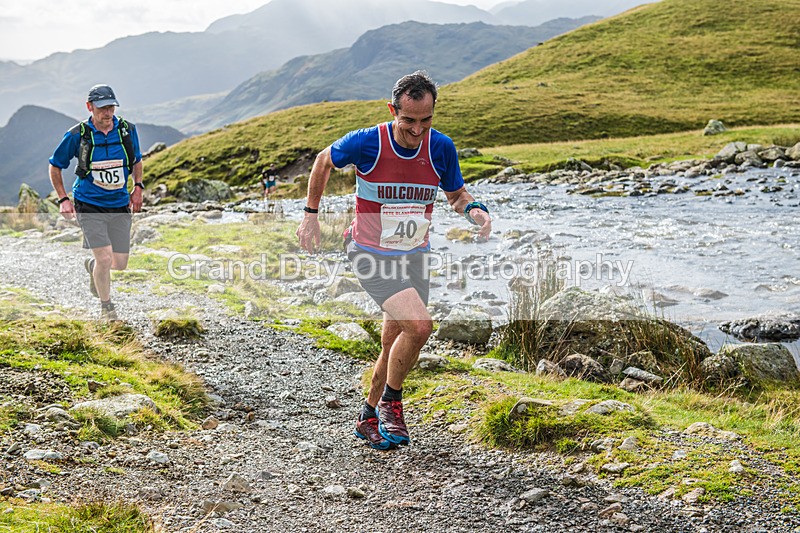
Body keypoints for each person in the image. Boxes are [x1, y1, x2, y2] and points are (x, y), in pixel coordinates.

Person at [296, 71, 491, 450]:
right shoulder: (369, 142)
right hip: (368, 251)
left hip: (414, 254)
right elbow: (323, 161)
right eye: (409, 121)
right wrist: (311, 214)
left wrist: (476, 212)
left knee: (394, 340)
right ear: (392, 111)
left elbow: (456, 195)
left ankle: (368, 416)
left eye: (426, 120)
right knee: (419, 327)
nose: (418, 130)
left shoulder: (441, 148)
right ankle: (392, 403)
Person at [48, 84, 144, 320]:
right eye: (102, 108)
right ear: (89, 107)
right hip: (88, 203)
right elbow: (55, 165)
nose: (107, 113)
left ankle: (93, 267)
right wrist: (63, 199)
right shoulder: (77, 135)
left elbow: (136, 161)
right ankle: (107, 309)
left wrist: (138, 188)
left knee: (119, 264)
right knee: (105, 258)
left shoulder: (126, 131)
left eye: (111, 107)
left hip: (119, 202)